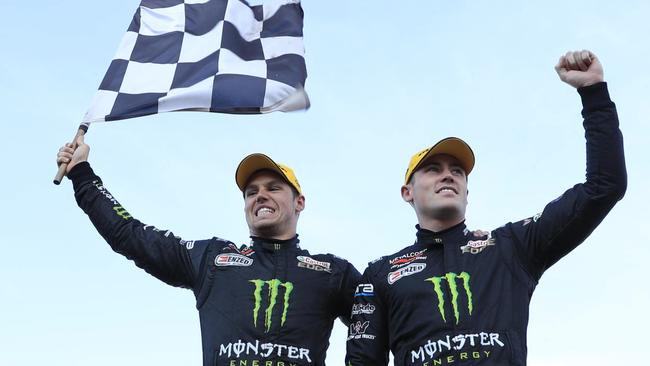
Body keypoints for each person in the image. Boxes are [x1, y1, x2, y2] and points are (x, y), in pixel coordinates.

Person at [345, 50, 627, 365]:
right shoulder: (380, 274)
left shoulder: (510, 247)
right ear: (407, 192)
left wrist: (593, 93)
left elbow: (605, 187)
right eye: (433, 169)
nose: (448, 175)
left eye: (457, 170)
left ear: (467, 190)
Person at [57, 143, 360, 366]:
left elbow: (390, 325)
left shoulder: (332, 272)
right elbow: (131, 236)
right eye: (251, 192)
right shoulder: (213, 258)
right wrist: (83, 176)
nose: (260, 196)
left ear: (299, 202)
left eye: (273, 187)